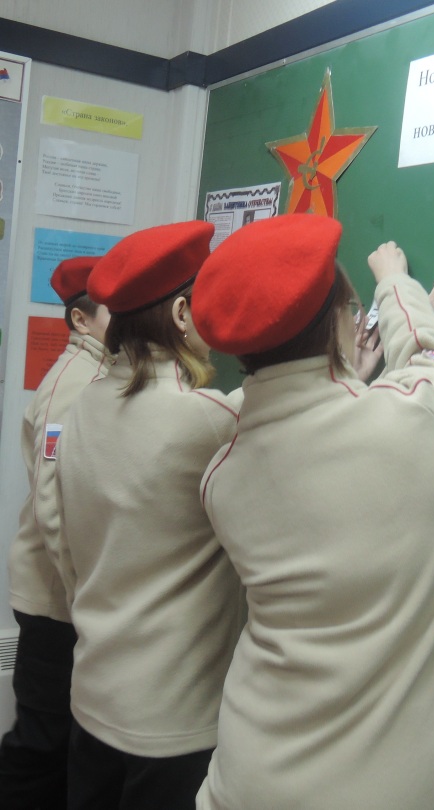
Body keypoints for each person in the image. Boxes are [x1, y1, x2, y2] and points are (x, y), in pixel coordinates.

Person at [191, 213, 434, 810]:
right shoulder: (422, 419)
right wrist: (395, 282)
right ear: (341, 323)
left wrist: (346, 371)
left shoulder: (221, 478)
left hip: (250, 778)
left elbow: (291, 417)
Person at [54, 221, 244, 810]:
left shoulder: (82, 405)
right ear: (182, 313)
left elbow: (62, 546)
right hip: (171, 721)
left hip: (94, 695)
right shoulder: (207, 419)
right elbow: (276, 419)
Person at [0, 256, 111, 810]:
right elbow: (52, 501)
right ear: (80, 320)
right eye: (113, 309)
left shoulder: (101, 371)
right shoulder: (75, 381)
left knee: (63, 741)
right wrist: (80, 593)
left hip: (66, 597)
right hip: (55, 601)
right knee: (41, 744)